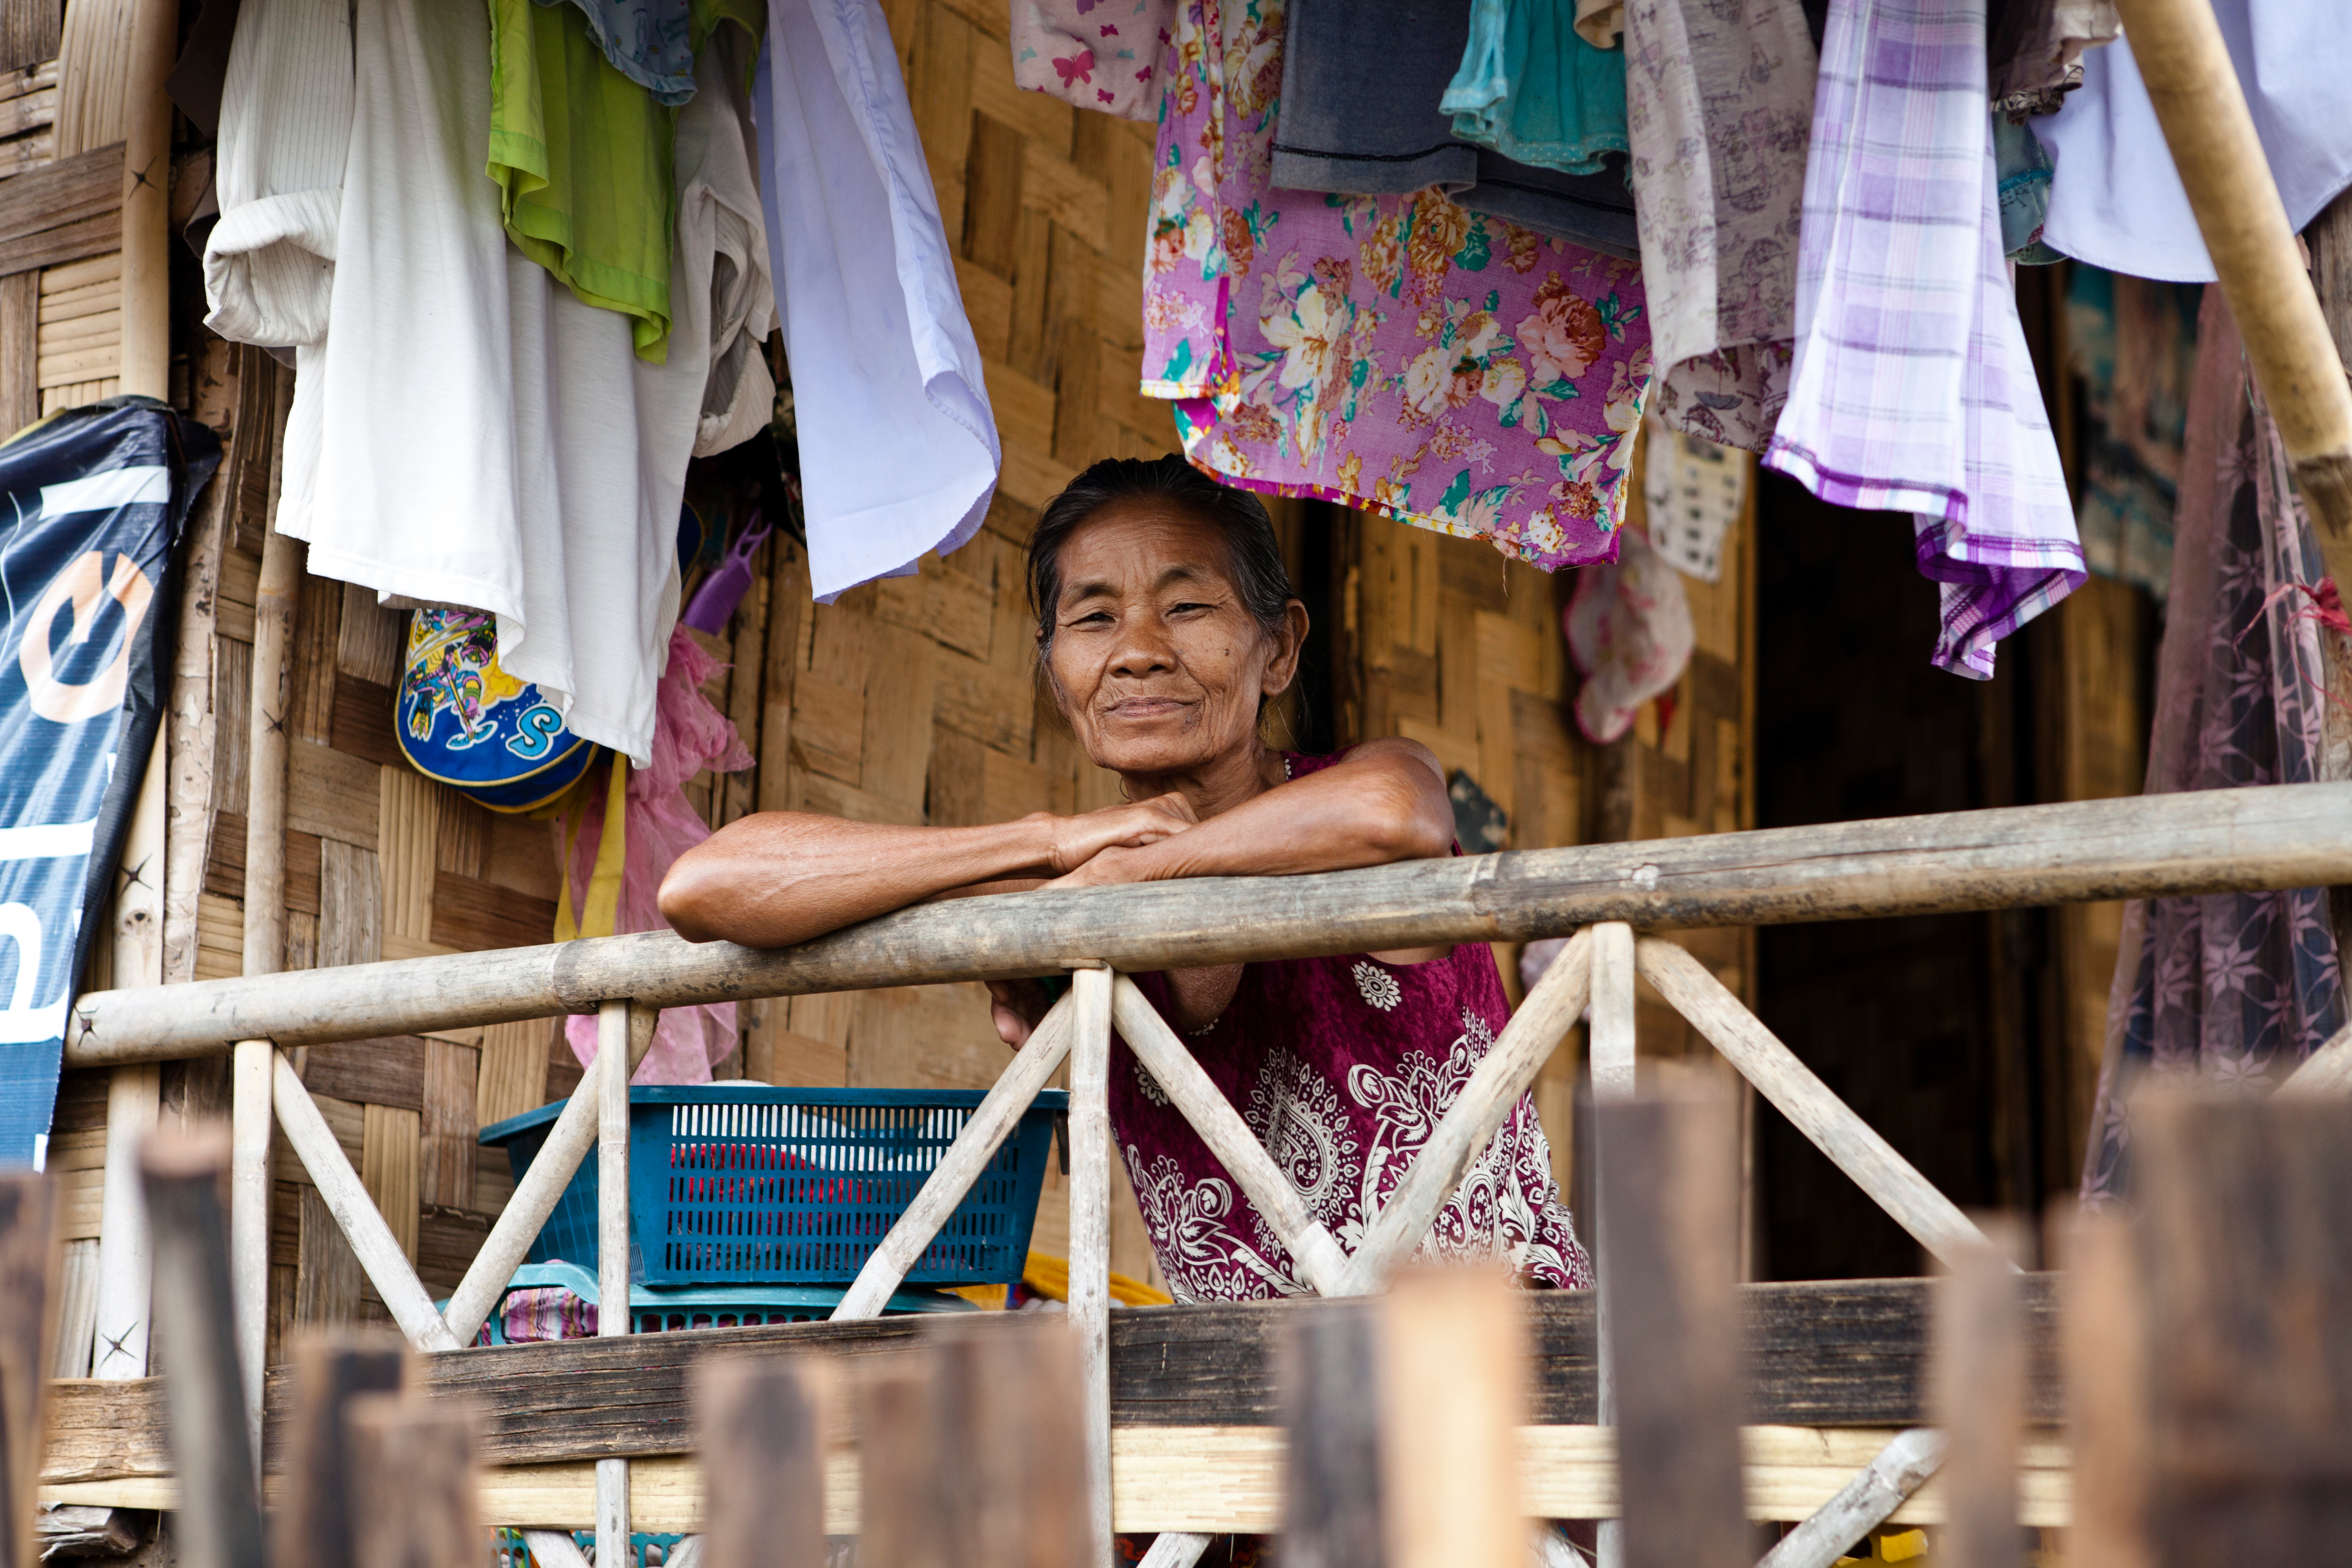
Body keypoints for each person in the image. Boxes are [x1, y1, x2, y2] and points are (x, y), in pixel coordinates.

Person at [661, 454, 1591, 1299]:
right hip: (1251, 1423)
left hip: (1502, 1373)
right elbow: (705, 886)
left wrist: (1144, 862)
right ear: (1055, 669)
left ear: (1279, 649)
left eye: (1187, 608)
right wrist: (1054, 840)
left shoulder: (1350, 804)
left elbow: (1398, 812)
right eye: (1094, 617)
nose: (1138, 649)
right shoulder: (1074, 873)